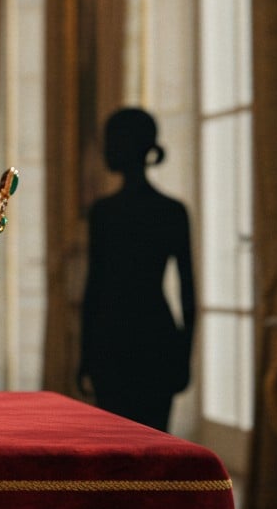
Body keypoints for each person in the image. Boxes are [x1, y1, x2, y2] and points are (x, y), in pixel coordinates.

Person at [78, 108, 196, 432]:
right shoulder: (172, 212)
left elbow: (95, 288)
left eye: (111, 142)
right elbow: (188, 295)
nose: (105, 150)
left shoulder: (104, 213)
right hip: (156, 338)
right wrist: (184, 356)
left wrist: (86, 354)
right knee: (154, 446)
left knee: (117, 447)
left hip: (112, 340)